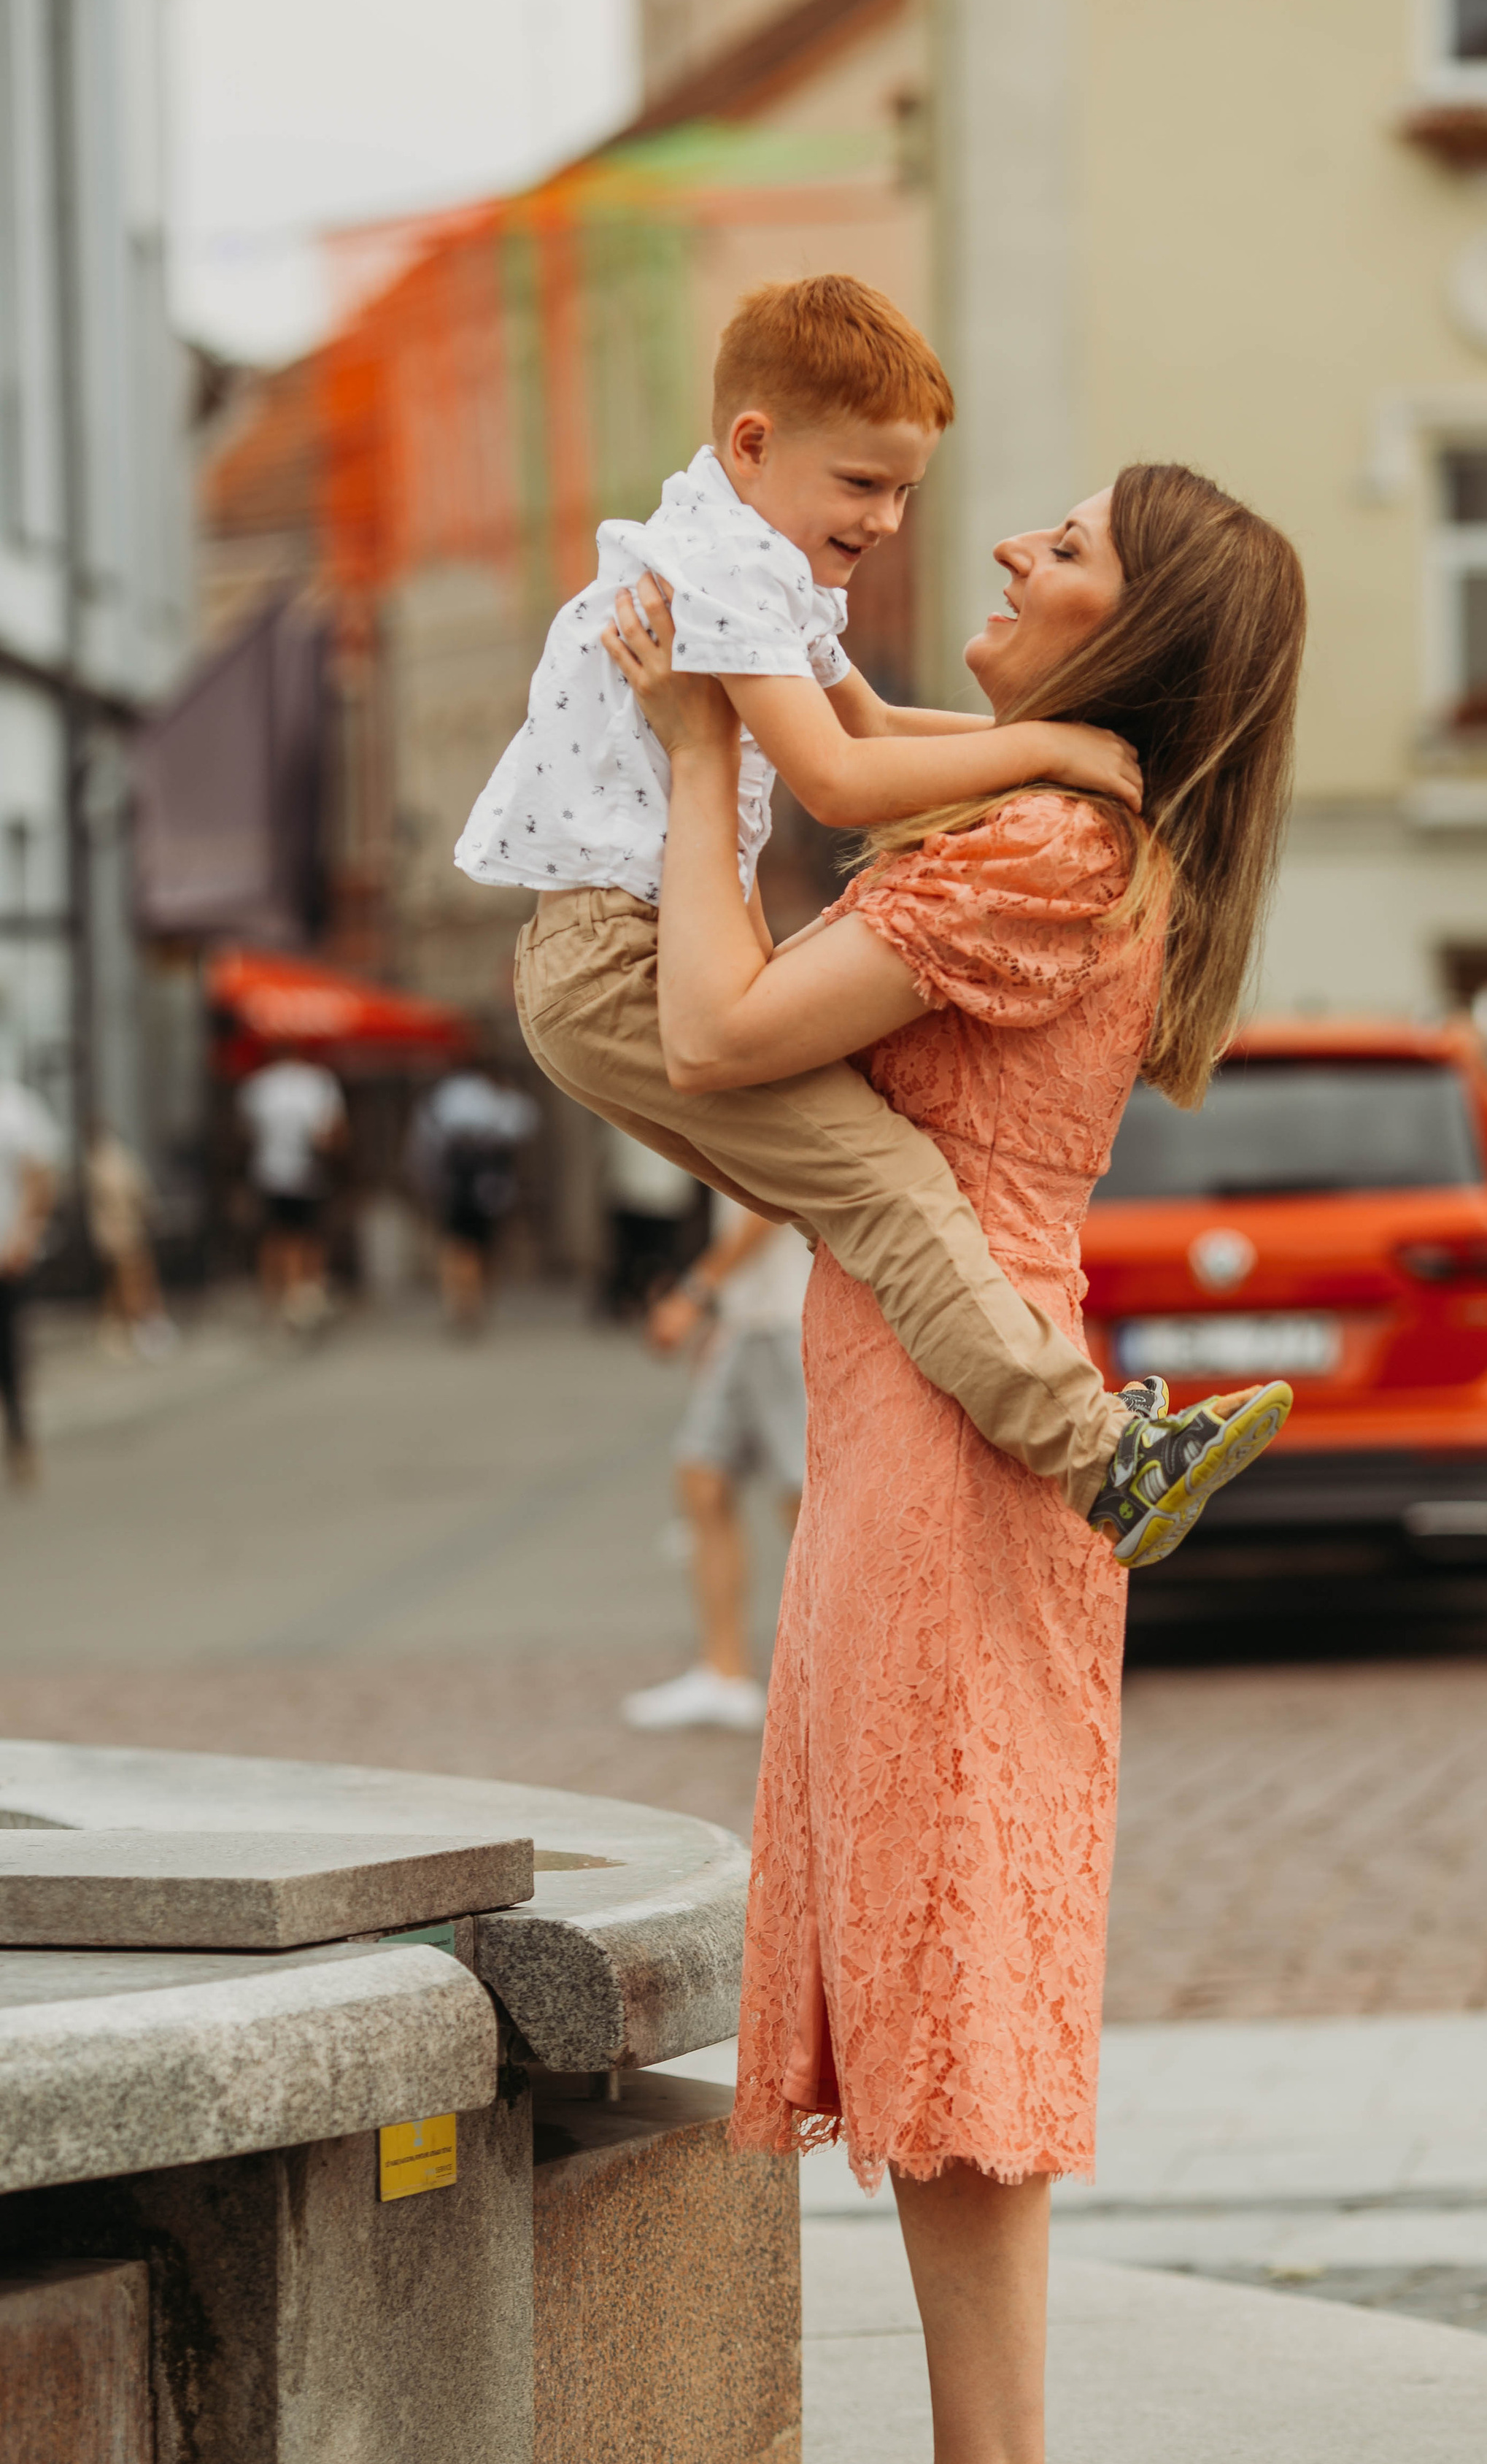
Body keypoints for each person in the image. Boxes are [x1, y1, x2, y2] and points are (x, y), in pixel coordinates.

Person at [604, 459, 1305, 2464]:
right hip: (911, 1416)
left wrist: (707, 724)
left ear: (1132, 640)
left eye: (1068, 547)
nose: (1011, 544)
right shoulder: (1061, 823)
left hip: (945, 1441)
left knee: (953, 1968)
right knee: (934, 1967)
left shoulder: (1054, 843)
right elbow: (864, 770)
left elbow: (713, 1030)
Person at [479, 274, 1288, 1571]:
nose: (892, 520)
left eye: (905, 490)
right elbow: (840, 783)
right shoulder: (728, 575)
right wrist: (1057, 752)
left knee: (862, 1208)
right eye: (865, 485)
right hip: (618, 958)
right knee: (893, 1192)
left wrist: (1048, 752)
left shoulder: (757, 562)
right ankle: (1100, 1456)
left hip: (603, 955)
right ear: (756, 443)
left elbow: (870, 725)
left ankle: (1078, 1440)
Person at [624, 1197, 810, 1733]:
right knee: (702, 1479)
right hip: (751, 1318)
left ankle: (845, 1675)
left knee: (806, 1506)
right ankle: (724, 1673)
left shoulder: (766, 1105)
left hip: (788, 1316)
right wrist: (726, 1312)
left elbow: (773, 1197)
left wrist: (696, 1293)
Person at [409, 1058, 541, 1333]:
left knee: (458, 1245)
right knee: (480, 1246)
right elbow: (523, 1126)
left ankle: (460, 1301)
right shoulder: (501, 1098)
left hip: (457, 1181)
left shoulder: (447, 1095)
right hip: (487, 1184)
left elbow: (427, 1141)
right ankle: (473, 1300)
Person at [237, 1044, 346, 1331]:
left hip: (268, 1172)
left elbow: (246, 1132)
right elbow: (332, 1133)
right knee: (308, 1236)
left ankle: (275, 1300)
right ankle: (303, 1296)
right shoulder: (318, 1083)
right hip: (307, 1172)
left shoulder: (257, 1086)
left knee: (275, 1236)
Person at [0, 1071, 59, 1490]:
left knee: (8, 1357)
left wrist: (24, 1237)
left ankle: (21, 1441)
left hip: (7, 1256)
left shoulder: (14, 1106)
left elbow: (41, 1176)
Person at [85, 1125, 175, 1360]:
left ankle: (131, 1329)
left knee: (126, 1283)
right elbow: (140, 1193)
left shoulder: (101, 1162)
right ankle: (133, 1329)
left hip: (117, 1232)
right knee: (127, 1283)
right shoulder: (118, 1159)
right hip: (125, 1230)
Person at [599, 1125, 705, 1317]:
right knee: (633, 1251)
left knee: (658, 1253)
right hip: (634, 1187)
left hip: (661, 1189)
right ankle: (632, 1299)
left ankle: (659, 1303)